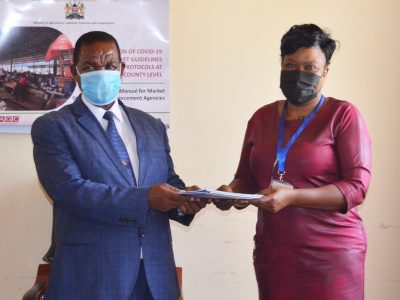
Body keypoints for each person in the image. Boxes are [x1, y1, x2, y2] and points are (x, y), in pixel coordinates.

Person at [31, 31, 205, 300]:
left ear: (122, 69)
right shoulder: (53, 127)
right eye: (90, 67)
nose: (102, 73)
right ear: (74, 73)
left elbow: (168, 179)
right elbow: (70, 191)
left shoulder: (151, 126)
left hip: (155, 278)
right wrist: (146, 198)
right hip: (92, 277)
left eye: (110, 66)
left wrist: (184, 200)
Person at [214, 24, 371, 300]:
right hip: (274, 254)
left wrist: (292, 197)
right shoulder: (261, 118)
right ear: (281, 65)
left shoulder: (343, 115)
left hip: (331, 256)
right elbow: (246, 179)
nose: (300, 73)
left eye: (310, 67)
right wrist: (231, 192)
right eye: (291, 64)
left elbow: (357, 187)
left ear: (325, 72)